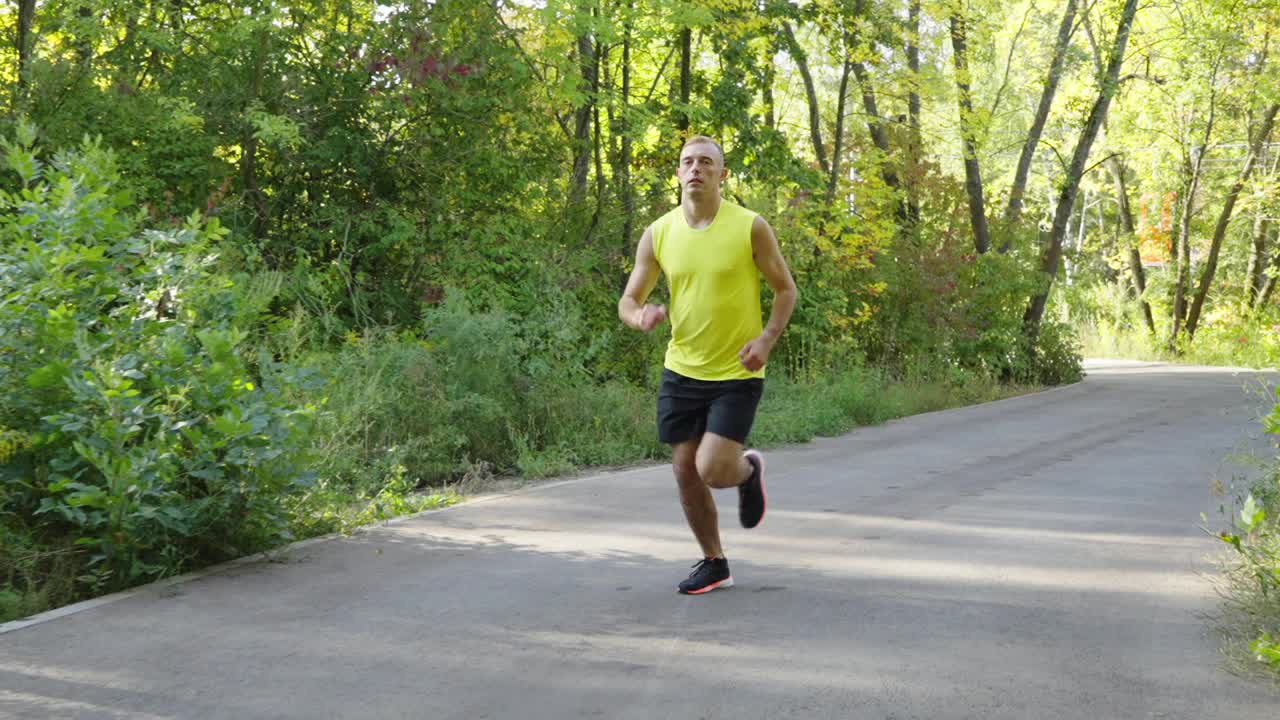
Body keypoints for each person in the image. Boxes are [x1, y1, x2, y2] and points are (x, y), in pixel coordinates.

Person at [618, 135, 798, 595]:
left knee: (713, 470)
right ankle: (714, 562)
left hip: (737, 371)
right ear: (677, 174)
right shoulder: (659, 233)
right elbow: (629, 299)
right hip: (682, 369)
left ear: (722, 174)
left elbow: (784, 289)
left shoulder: (749, 227)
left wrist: (767, 339)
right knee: (684, 469)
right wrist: (640, 316)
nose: (695, 168)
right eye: (687, 162)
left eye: (706, 162)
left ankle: (746, 472)